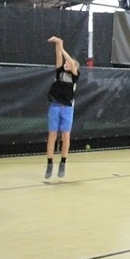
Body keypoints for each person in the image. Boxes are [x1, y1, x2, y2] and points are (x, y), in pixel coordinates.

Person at [44, 36, 80, 179]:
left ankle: (63, 162)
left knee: (65, 135)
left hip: (67, 108)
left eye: (68, 64)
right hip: (55, 106)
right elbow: (59, 56)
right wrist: (58, 44)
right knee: (52, 135)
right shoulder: (59, 73)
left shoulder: (74, 76)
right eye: (64, 64)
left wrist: (62, 47)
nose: (66, 64)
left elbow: (70, 61)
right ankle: (49, 163)